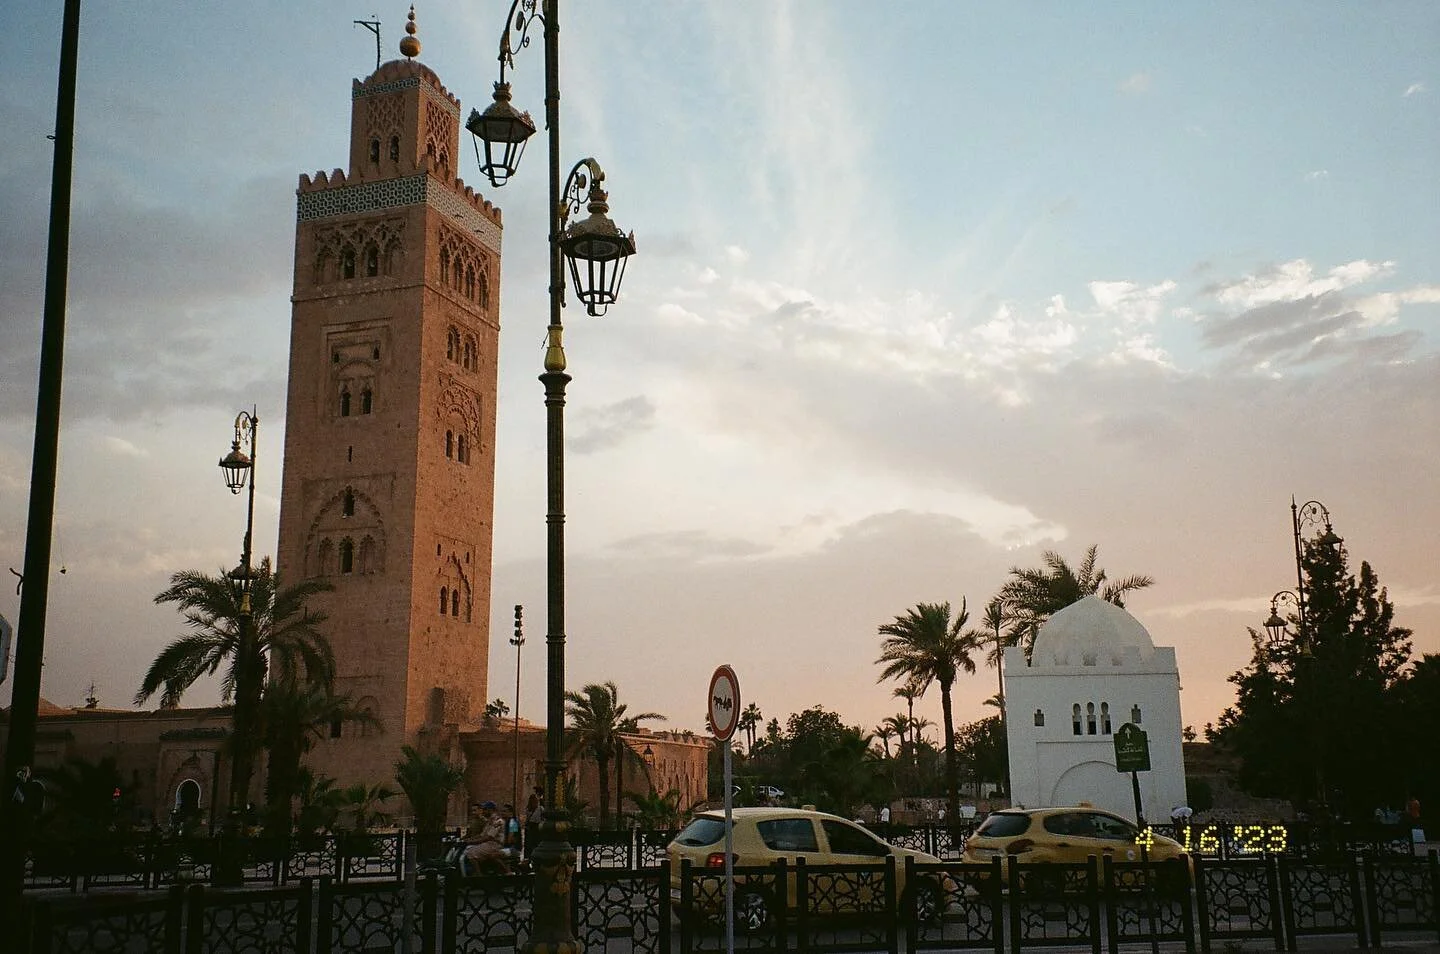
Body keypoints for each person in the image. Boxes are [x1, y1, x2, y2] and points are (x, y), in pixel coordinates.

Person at [462, 801, 509, 874]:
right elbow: (482, 835)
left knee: (470, 853)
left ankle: (478, 876)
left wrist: (472, 841)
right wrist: (468, 839)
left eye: (485, 809)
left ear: (491, 810)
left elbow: (488, 837)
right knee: (467, 849)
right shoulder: (489, 821)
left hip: (494, 844)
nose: (483, 812)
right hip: (488, 843)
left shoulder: (497, 821)